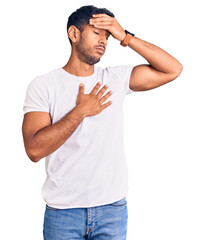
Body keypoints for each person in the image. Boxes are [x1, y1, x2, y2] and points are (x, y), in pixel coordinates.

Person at [22, 5, 183, 240]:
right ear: (74, 34)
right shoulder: (45, 85)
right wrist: (80, 112)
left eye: (107, 36)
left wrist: (125, 36)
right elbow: (34, 150)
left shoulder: (115, 79)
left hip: (112, 211)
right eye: (97, 32)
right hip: (63, 213)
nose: (104, 41)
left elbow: (173, 69)